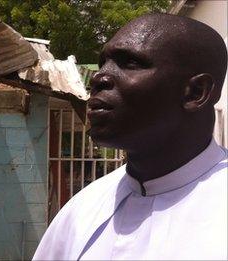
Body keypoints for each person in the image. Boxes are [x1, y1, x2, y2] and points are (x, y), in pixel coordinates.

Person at [33, 13, 227, 260]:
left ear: (196, 92)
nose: (99, 77)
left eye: (131, 63)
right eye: (103, 62)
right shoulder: (82, 211)